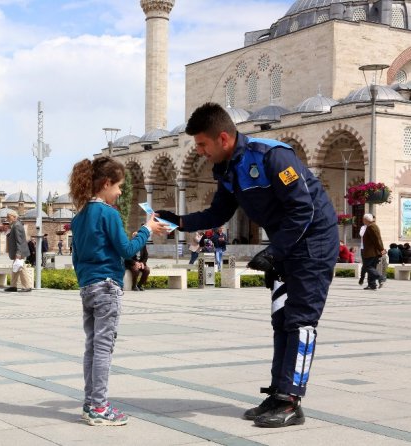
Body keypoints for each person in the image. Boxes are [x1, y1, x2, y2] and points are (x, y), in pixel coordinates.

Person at [157, 102, 338, 428]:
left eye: (202, 144)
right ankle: (278, 392)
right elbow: (218, 214)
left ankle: (291, 400)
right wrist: (177, 220)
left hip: (313, 242)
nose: (199, 152)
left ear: (222, 138)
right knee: (282, 319)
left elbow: (304, 209)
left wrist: (275, 251)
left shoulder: (271, 155)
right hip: (287, 244)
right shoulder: (227, 170)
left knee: (301, 320)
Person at [69, 156, 167, 426]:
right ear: (106, 183)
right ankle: (100, 408)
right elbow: (126, 249)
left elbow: (77, 257)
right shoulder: (108, 213)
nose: (121, 192)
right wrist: (146, 230)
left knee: (92, 346)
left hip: (88, 286)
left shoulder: (79, 217)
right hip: (107, 287)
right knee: (103, 348)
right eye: (119, 186)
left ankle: (90, 404)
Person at [4, 209, 32, 292]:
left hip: (19, 252)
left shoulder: (17, 226)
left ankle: (27, 286)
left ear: (14, 217)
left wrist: (18, 253)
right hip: (18, 251)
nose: (7, 218)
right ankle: (13, 286)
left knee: (21, 268)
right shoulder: (15, 225)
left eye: (9, 217)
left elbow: (20, 240)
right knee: (15, 268)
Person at [361, 213, 386, 290]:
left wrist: (382, 249)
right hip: (372, 252)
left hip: (371, 252)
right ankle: (372, 285)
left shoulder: (371, 227)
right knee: (372, 267)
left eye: (363, 219)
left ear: (366, 220)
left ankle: (380, 277)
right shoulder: (370, 226)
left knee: (367, 267)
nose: (362, 220)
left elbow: (377, 239)